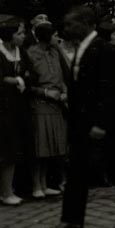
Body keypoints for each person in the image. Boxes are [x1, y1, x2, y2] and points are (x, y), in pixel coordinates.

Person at [58, 6, 115, 228]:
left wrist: (101, 123)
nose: (67, 28)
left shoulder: (104, 49)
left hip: (105, 125)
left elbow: (110, 91)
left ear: (86, 24)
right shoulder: (81, 48)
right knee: (77, 170)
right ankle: (71, 220)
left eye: (71, 23)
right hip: (83, 123)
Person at [26, 22, 69, 199]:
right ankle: (37, 185)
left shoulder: (55, 52)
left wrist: (65, 91)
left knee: (52, 146)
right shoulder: (31, 53)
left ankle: (45, 184)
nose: (57, 38)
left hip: (57, 102)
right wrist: (45, 92)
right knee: (40, 147)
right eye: (54, 35)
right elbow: (29, 83)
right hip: (40, 103)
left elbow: (64, 73)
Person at [0, 16, 31, 206]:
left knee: (14, 148)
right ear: (10, 35)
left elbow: (31, 73)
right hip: (3, 108)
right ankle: (6, 192)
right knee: (6, 149)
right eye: (19, 33)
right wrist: (15, 80)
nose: (23, 36)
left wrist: (20, 78)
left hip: (18, 107)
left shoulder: (22, 52)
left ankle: (8, 189)